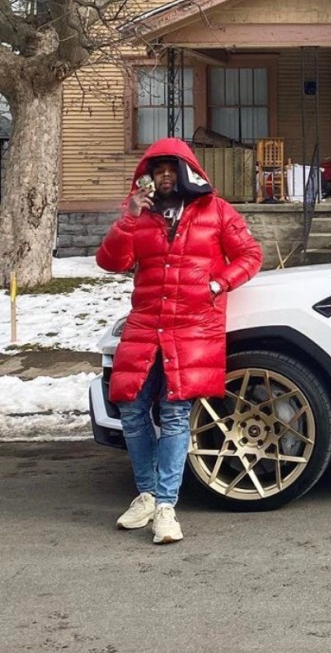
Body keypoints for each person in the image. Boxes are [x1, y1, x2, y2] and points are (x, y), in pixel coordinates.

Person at [96, 137, 263, 543]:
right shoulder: (138, 213)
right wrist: (129, 218)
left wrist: (217, 284)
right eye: (158, 170)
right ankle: (147, 495)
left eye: (172, 169)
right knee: (132, 409)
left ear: (188, 171)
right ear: (149, 176)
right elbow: (111, 262)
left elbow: (250, 255)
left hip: (192, 325)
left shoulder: (216, 210)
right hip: (145, 323)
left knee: (173, 414)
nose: (165, 176)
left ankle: (166, 507)